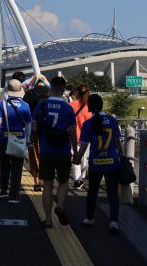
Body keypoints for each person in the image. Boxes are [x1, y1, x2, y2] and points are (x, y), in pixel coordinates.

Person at [73, 94, 123, 235]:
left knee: (92, 192)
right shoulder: (112, 121)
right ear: (102, 106)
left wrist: (77, 159)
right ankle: (113, 221)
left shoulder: (88, 124)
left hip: (95, 163)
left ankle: (90, 218)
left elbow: (83, 146)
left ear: (89, 107)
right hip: (112, 162)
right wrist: (122, 157)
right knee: (113, 193)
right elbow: (119, 143)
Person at [33, 77, 78, 227]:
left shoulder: (42, 104)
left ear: (50, 88)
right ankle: (60, 207)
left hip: (46, 149)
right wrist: (76, 152)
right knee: (64, 182)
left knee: (47, 184)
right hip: (64, 150)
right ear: (63, 90)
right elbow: (72, 133)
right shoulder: (68, 108)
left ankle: (48, 219)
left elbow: (34, 128)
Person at [0, 79, 31, 203]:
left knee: (4, 165)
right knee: (17, 167)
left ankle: (4, 190)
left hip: (5, 138)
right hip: (19, 139)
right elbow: (28, 125)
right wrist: (28, 139)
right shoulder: (26, 105)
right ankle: (14, 195)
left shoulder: (2, 104)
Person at [23, 77, 49, 192]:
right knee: (46, 155)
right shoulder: (50, 94)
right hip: (48, 131)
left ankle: (37, 180)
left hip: (33, 130)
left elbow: (24, 112)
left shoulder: (29, 94)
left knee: (33, 154)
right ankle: (46, 180)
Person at [69, 84, 91, 189]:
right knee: (84, 158)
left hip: (73, 136)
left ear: (76, 92)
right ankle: (82, 177)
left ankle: (78, 180)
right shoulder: (89, 106)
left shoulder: (71, 105)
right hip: (86, 137)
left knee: (75, 157)